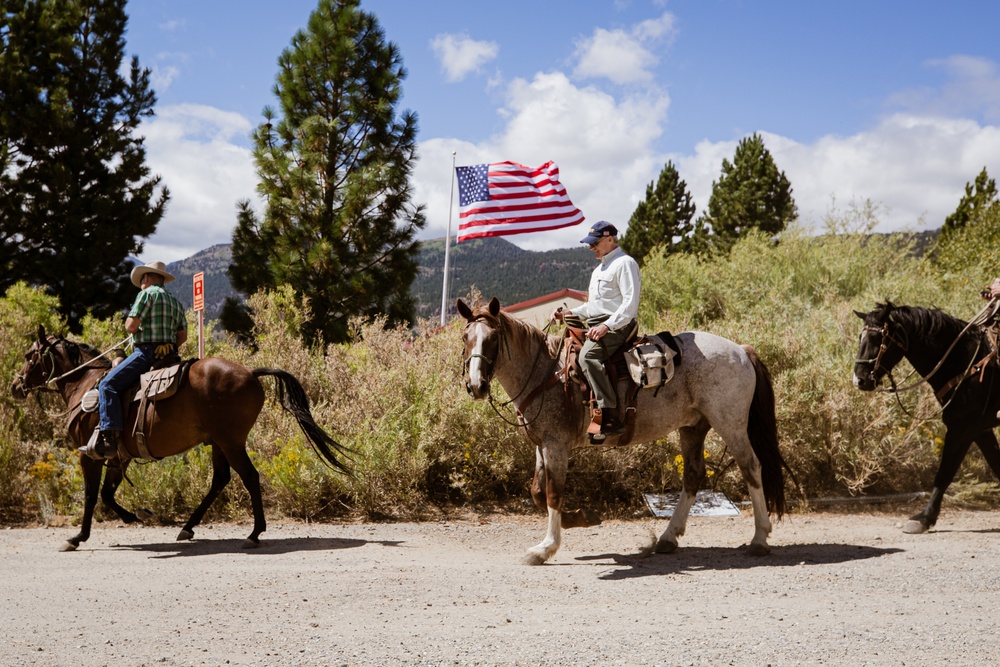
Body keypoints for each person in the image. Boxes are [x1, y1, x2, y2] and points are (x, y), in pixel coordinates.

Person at [84, 261, 188, 459]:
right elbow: (182, 336)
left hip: (146, 354)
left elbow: (131, 326)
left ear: (147, 278)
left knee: (107, 385)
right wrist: (167, 344)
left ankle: (109, 436)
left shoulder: (146, 294)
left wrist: (139, 330)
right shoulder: (175, 302)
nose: (141, 284)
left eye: (141, 280)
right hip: (169, 356)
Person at [551, 221, 641, 439]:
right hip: (598, 323)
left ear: (610, 239)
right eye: (590, 245)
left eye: (595, 243)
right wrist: (569, 313)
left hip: (618, 325)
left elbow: (630, 305)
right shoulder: (599, 269)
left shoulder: (625, 263)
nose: (592, 248)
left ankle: (609, 415)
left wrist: (606, 326)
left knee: (588, 356)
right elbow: (593, 307)